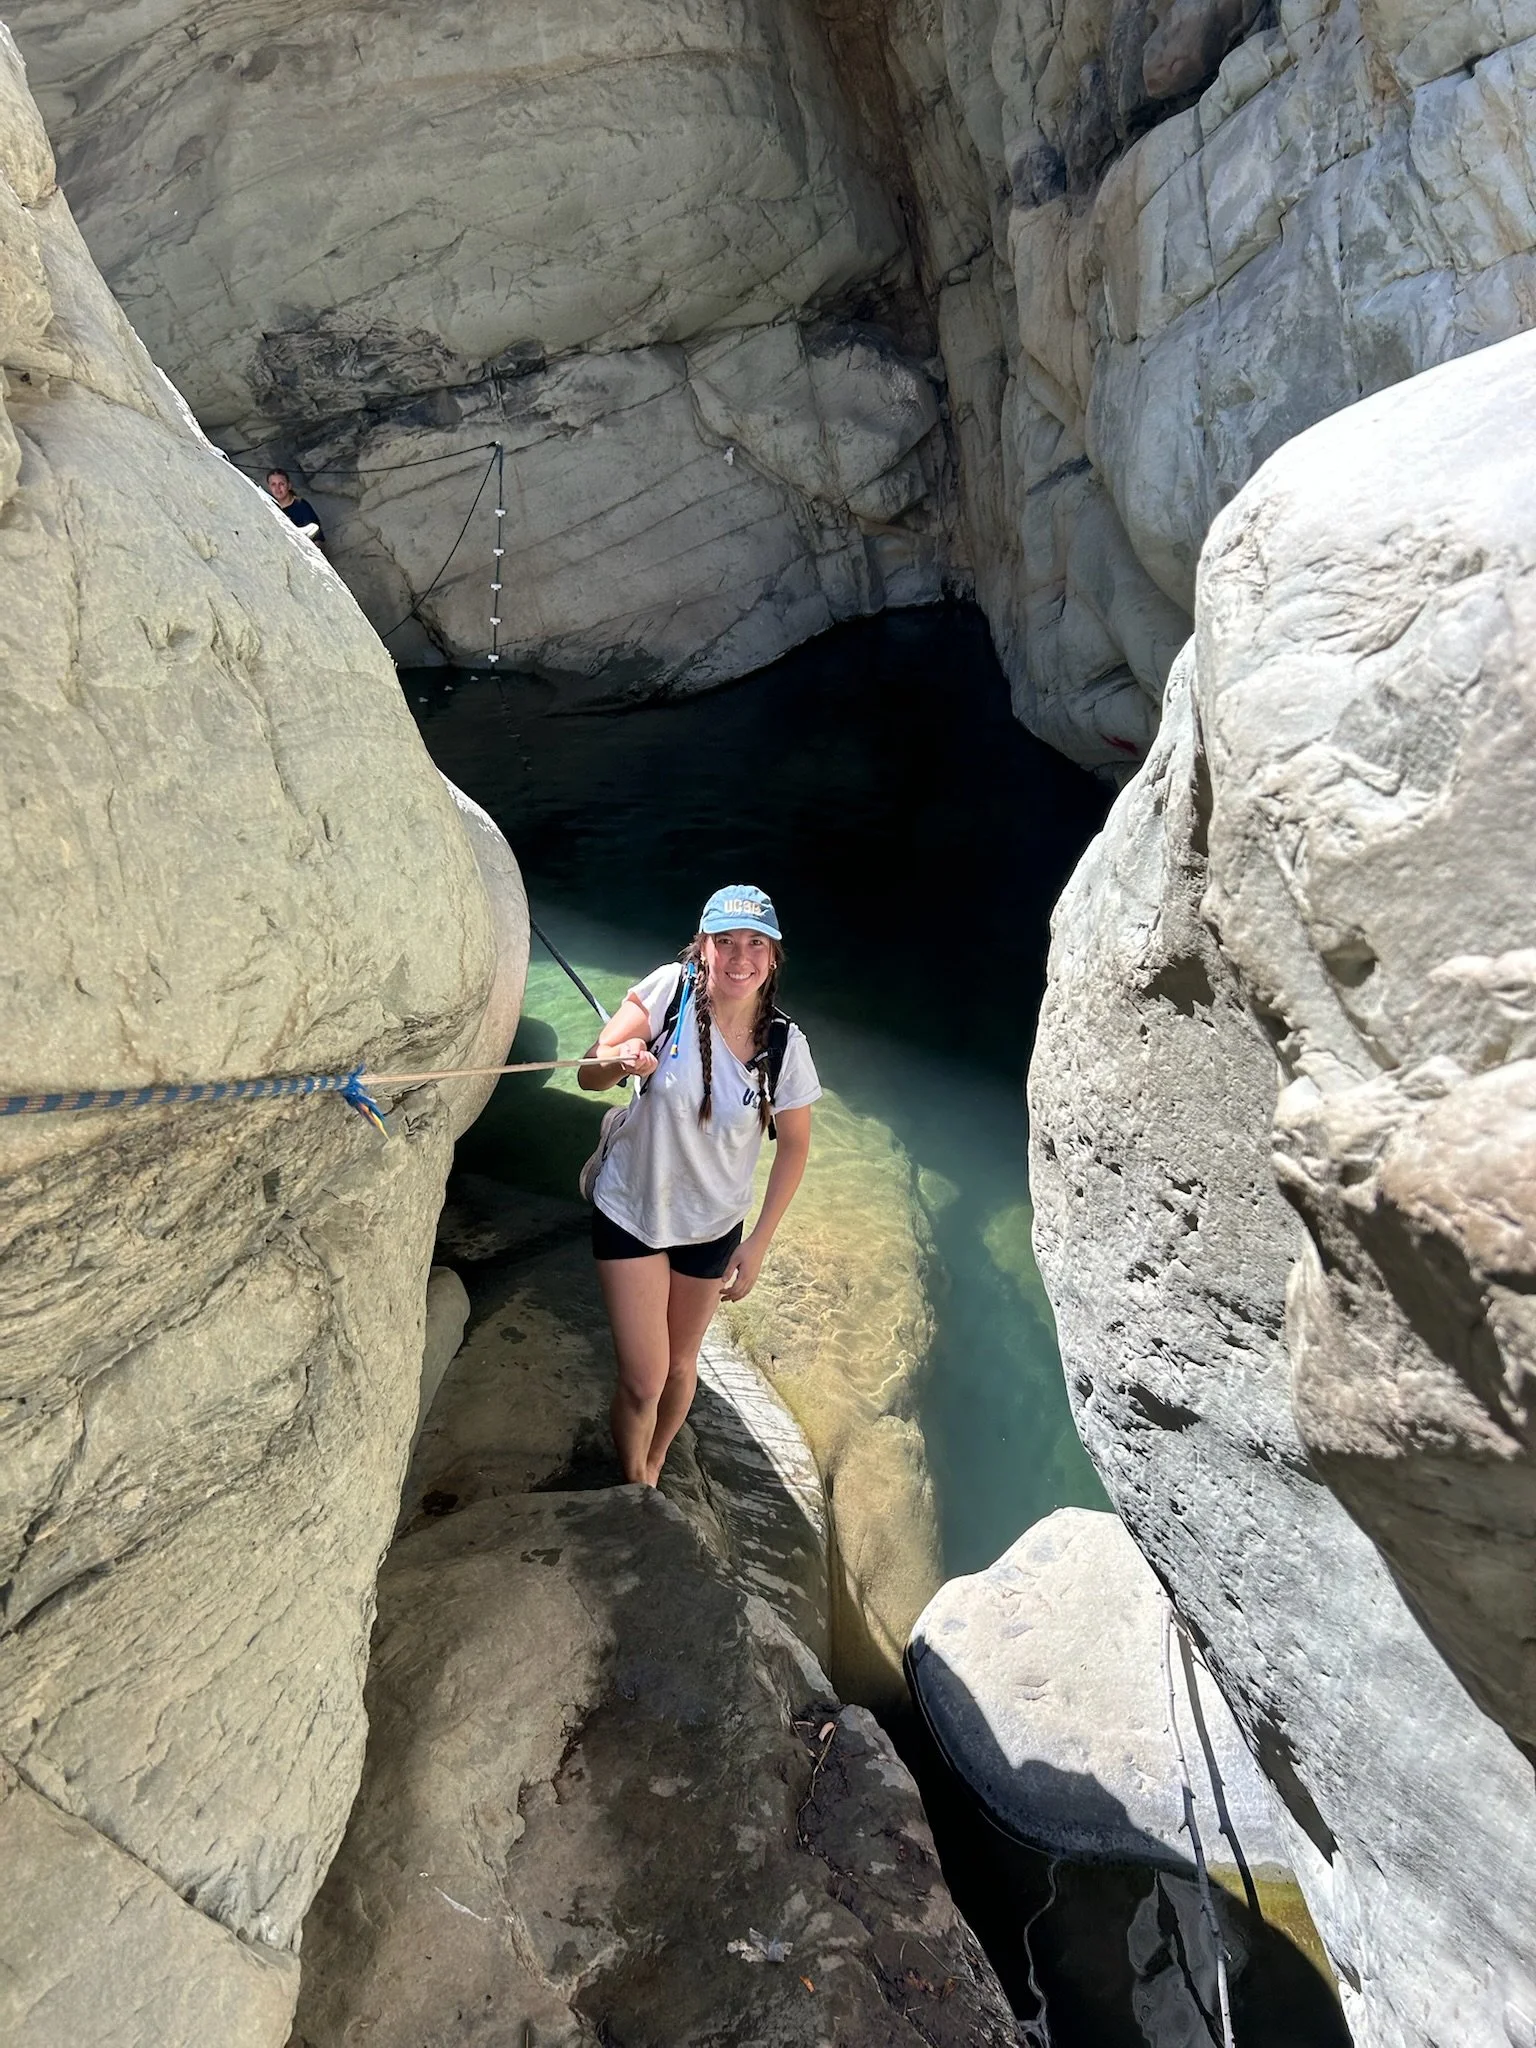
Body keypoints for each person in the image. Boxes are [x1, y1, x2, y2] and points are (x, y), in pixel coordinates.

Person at [578, 886, 820, 1486]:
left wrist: (758, 1244)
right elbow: (588, 1072)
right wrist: (620, 1057)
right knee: (643, 1379)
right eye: (726, 942)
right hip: (633, 1209)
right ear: (703, 948)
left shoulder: (784, 1046)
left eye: (755, 944)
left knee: (682, 1364)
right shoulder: (670, 991)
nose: (741, 958)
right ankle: (633, 1480)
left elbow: (794, 1146)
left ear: (773, 956)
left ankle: (656, 1467)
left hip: (712, 1226)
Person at [264, 469, 326, 548]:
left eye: (281, 484)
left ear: (289, 485)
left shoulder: (301, 505)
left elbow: (318, 539)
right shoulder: (269, 506)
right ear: (269, 487)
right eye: (273, 484)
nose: (277, 488)